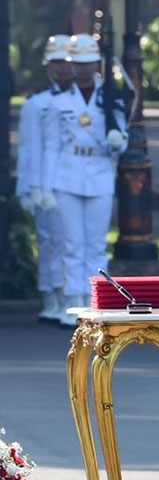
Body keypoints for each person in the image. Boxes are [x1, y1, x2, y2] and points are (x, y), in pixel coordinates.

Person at [41, 34, 127, 328]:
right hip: (67, 175)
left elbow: (122, 140)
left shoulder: (110, 96)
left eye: (88, 62)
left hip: (100, 173)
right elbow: (52, 146)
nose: (83, 68)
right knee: (72, 245)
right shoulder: (59, 102)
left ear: (97, 64)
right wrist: (46, 185)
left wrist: (118, 141)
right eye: (77, 63)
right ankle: (74, 302)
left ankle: (97, 302)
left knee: (96, 244)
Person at [16, 34, 73, 324]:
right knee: (50, 241)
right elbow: (30, 150)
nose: (63, 68)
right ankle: (51, 296)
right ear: (47, 66)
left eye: (67, 62)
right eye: (57, 62)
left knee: (70, 243)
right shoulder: (36, 105)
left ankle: (69, 296)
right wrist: (29, 187)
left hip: (74, 182)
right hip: (44, 184)